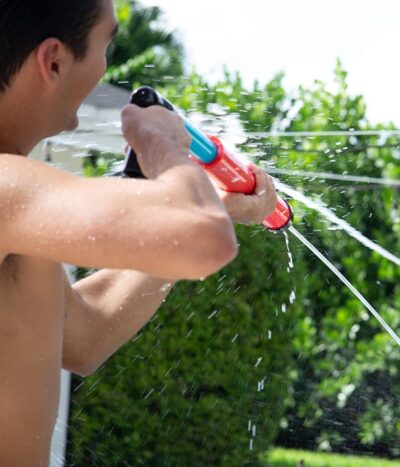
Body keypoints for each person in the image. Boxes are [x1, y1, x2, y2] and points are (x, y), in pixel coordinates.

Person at [0, 0, 279, 464]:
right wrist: (160, 143)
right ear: (53, 61)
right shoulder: (7, 188)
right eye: (104, 46)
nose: (106, 66)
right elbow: (201, 238)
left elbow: (84, 334)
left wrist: (214, 206)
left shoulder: (19, 200)